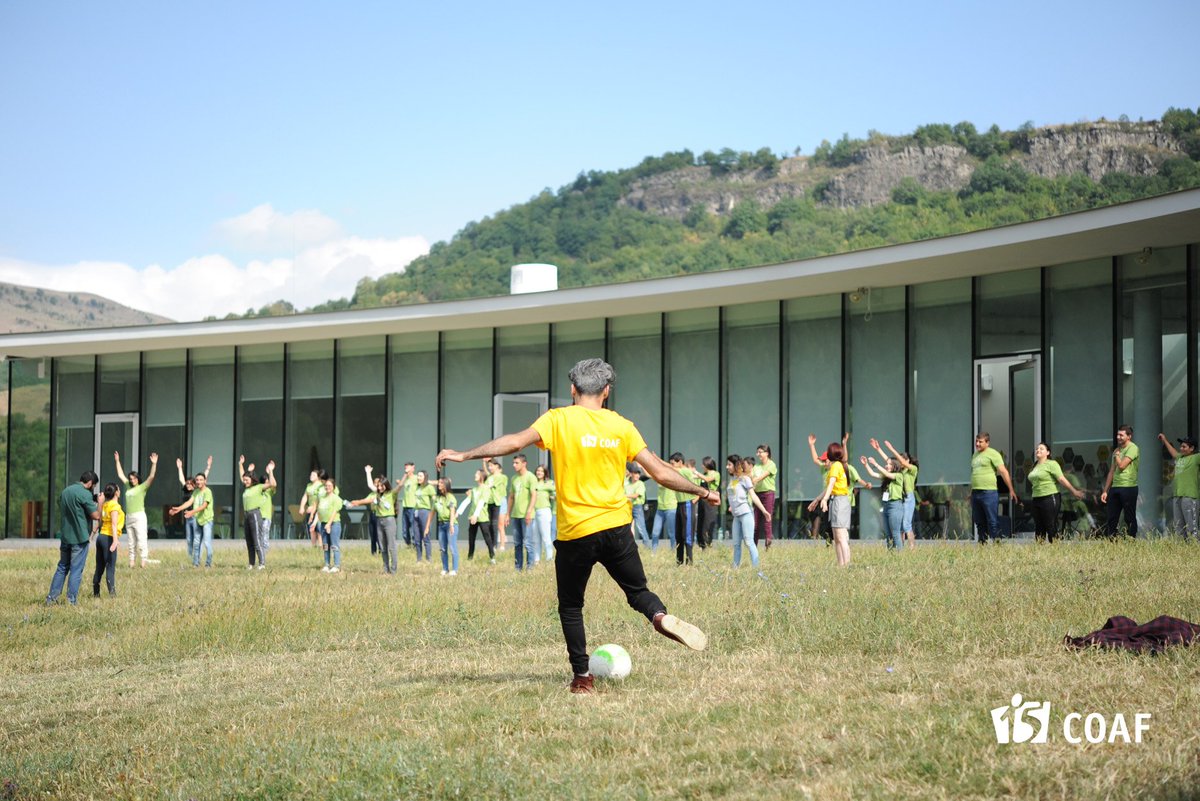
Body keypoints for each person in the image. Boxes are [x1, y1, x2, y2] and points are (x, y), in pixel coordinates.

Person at [436, 358, 711, 695]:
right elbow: (659, 471)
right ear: (606, 391)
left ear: (572, 389)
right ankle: (658, 616)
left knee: (571, 605)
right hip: (616, 528)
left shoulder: (558, 419)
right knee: (638, 593)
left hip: (576, 533)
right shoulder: (621, 426)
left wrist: (464, 456)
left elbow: (513, 443)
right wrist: (703, 490)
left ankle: (582, 678)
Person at [46, 470, 101, 605]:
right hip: (79, 538)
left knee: (62, 567)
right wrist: (100, 502)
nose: (93, 488)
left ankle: (51, 599)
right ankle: (71, 601)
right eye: (93, 485)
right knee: (76, 569)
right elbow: (96, 516)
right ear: (89, 483)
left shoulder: (66, 491)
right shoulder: (84, 494)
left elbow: (66, 506)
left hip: (65, 536)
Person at [1027, 443, 1085, 542]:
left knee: (1050, 525)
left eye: (1041, 449)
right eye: (1037, 449)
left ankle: (1055, 548)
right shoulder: (1035, 465)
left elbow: (1061, 479)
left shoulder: (1052, 464)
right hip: (1036, 498)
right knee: (1039, 526)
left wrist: (1074, 491)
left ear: (1048, 452)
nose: (1038, 450)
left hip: (1049, 498)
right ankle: (1039, 551)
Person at [970, 432, 1017, 544]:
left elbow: (1003, 472)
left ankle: (997, 544)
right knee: (979, 521)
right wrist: (970, 492)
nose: (977, 444)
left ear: (987, 442)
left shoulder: (993, 454)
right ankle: (982, 544)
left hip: (989, 493)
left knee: (992, 521)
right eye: (976, 441)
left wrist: (1011, 489)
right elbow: (974, 474)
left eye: (980, 442)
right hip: (976, 493)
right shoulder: (975, 455)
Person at [114, 450, 158, 568]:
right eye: (131, 479)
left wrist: (154, 463)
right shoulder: (128, 486)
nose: (132, 480)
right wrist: (117, 461)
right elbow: (120, 475)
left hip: (139, 516)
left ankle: (144, 561)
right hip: (129, 516)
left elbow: (151, 476)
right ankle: (131, 562)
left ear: (138, 479)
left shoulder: (142, 487)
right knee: (131, 541)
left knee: (141, 539)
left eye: (134, 478)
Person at [875, 439, 919, 548]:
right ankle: (901, 547)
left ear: (908, 460)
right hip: (900, 499)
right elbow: (889, 460)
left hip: (908, 498)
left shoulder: (913, 469)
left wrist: (891, 449)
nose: (900, 462)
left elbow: (902, 462)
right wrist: (878, 449)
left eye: (903, 460)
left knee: (906, 524)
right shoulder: (899, 472)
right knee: (899, 526)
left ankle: (912, 547)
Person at [726, 455, 767, 570]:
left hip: (746, 514)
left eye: (729, 464)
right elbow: (735, 495)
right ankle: (735, 567)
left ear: (736, 465)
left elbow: (753, 496)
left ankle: (756, 568)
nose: (727, 467)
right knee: (736, 544)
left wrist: (764, 511)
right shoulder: (733, 480)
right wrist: (731, 505)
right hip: (736, 516)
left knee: (749, 542)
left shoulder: (745, 479)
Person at [1100, 425, 1139, 538]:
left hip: (1128, 487)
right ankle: (1112, 540)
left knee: (1129, 516)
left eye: (1121, 435)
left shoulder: (1133, 448)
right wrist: (1105, 491)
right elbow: (1112, 471)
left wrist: (1117, 455)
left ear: (1129, 436)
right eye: (1118, 435)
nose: (1118, 437)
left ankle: (1131, 539)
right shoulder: (1117, 450)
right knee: (1112, 516)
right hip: (1115, 487)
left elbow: (1122, 466)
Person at [816, 443, 852, 567]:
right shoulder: (840, 465)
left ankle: (846, 565)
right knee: (837, 537)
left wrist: (824, 499)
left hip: (839, 501)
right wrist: (817, 500)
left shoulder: (836, 465)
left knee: (841, 536)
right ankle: (841, 565)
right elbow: (828, 487)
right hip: (837, 500)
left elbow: (831, 484)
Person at [360, 466, 400, 573]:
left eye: (382, 485)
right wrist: (368, 472)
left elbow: (400, 487)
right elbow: (369, 485)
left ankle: (393, 569)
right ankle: (386, 569)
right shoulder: (377, 494)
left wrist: (406, 476)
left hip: (389, 520)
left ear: (386, 486)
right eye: (379, 486)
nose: (380, 487)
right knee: (382, 546)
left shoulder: (391, 494)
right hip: (379, 520)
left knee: (391, 546)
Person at [1158, 433, 1198, 538]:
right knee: (1178, 526)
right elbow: (1173, 452)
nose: (1181, 448)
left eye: (1184, 447)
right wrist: (1165, 440)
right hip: (1177, 496)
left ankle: (1194, 547)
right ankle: (1181, 548)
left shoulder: (1196, 458)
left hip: (1190, 496)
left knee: (1191, 526)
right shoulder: (1180, 457)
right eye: (1181, 446)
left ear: (1192, 448)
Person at [861, 455, 905, 550]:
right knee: (888, 534)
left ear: (895, 466)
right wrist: (866, 465)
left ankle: (900, 556)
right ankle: (891, 554)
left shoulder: (899, 476)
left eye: (889, 464)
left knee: (895, 533)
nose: (887, 465)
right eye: (887, 464)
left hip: (895, 506)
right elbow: (873, 474)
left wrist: (876, 464)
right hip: (886, 506)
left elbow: (888, 474)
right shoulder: (886, 477)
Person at [171, 472, 215, 567]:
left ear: (205, 481)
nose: (199, 481)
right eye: (197, 480)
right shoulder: (195, 492)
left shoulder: (208, 492)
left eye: (201, 480)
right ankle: (195, 563)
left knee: (207, 543)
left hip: (207, 520)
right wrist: (178, 509)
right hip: (198, 520)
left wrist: (192, 512)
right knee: (196, 542)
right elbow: (189, 502)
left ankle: (208, 564)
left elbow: (204, 505)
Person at [175, 456, 211, 559]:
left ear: (194, 485)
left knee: (196, 539)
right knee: (189, 539)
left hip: (195, 517)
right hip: (188, 518)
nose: (188, 486)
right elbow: (181, 479)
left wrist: (208, 467)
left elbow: (204, 477)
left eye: (190, 484)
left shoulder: (196, 491)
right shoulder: (186, 490)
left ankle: (197, 557)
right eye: (187, 484)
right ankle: (191, 557)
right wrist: (179, 468)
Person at [93, 483, 124, 596]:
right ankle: (112, 595)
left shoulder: (106, 505)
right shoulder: (115, 507)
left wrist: (93, 533)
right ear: (116, 492)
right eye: (119, 489)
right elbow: (114, 525)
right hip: (109, 538)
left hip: (101, 537)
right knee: (110, 567)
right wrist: (115, 541)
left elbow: (100, 521)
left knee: (99, 567)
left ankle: (96, 594)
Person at [508, 454, 537, 570]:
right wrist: (507, 514)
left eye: (516, 463)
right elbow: (511, 497)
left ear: (524, 463)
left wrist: (529, 511)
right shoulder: (514, 478)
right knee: (517, 543)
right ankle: (518, 568)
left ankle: (530, 568)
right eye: (513, 463)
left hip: (527, 516)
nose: (514, 465)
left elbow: (534, 495)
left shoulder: (531, 477)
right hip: (516, 515)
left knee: (528, 543)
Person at [670, 453, 700, 565]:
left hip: (687, 505)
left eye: (673, 463)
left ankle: (689, 562)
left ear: (680, 463)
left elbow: (698, 487)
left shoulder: (685, 471)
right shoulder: (677, 472)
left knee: (687, 534)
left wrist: (657, 460)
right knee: (679, 535)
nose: (671, 466)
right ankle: (679, 561)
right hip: (679, 505)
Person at [239, 456, 264, 569]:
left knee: (256, 539)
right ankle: (251, 563)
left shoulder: (258, 487)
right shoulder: (246, 489)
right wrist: (240, 464)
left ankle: (262, 563)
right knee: (249, 540)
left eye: (246, 480)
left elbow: (273, 484)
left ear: (252, 479)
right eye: (244, 480)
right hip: (246, 514)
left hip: (254, 514)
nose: (244, 481)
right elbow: (243, 476)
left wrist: (271, 472)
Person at [465, 469, 496, 563]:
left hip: (482, 517)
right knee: (471, 538)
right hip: (472, 517)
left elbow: (482, 502)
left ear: (482, 476)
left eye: (477, 474)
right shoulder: (474, 489)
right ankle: (470, 558)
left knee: (487, 538)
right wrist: (458, 512)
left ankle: (492, 557)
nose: (475, 475)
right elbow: (467, 501)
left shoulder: (486, 488)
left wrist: (476, 515)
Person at [432, 477, 460, 576]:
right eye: (438, 483)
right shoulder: (438, 498)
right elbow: (433, 512)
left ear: (446, 485)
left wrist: (451, 525)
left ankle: (455, 569)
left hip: (450, 524)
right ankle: (445, 568)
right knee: (443, 548)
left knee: (452, 547)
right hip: (441, 525)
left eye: (441, 483)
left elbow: (452, 512)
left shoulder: (451, 497)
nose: (439, 484)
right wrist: (427, 526)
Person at [751, 444, 778, 548]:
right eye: (757, 452)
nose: (758, 454)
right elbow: (751, 475)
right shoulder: (756, 466)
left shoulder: (771, 465)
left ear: (767, 453)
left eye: (760, 452)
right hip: (757, 495)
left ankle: (768, 543)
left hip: (768, 494)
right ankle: (754, 546)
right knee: (755, 522)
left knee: (767, 518)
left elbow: (762, 476)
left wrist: (754, 480)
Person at [317, 476, 344, 573]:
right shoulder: (322, 497)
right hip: (323, 524)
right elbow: (319, 510)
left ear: (333, 487)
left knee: (334, 545)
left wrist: (329, 524)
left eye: (329, 485)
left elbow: (334, 512)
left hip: (333, 524)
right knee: (325, 545)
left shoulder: (336, 498)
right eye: (326, 485)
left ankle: (336, 565)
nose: (327, 487)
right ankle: (327, 564)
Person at [696, 457, 720, 548]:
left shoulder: (716, 474)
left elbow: (708, 479)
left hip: (711, 501)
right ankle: (701, 544)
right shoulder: (703, 474)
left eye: (703, 464)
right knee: (700, 523)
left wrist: (697, 474)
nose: (702, 466)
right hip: (702, 501)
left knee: (708, 522)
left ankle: (708, 543)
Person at [533, 464, 556, 563]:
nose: (539, 473)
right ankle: (536, 559)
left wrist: (553, 497)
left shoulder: (549, 483)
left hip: (544, 511)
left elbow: (555, 493)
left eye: (541, 471)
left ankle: (549, 557)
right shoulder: (533, 482)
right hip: (534, 511)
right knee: (536, 538)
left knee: (546, 536)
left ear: (545, 473)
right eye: (538, 471)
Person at [485, 459, 509, 552]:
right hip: (493, 501)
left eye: (491, 466)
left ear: (497, 467)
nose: (490, 468)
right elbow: (487, 475)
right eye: (489, 466)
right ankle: (494, 545)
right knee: (492, 524)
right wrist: (484, 462)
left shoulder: (502, 477)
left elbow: (491, 484)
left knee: (500, 525)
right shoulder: (490, 477)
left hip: (501, 501)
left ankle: (502, 545)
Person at [413, 470, 436, 563]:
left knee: (425, 536)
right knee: (416, 537)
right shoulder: (417, 487)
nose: (418, 477)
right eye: (418, 476)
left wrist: (432, 510)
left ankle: (428, 558)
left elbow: (434, 500)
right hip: (416, 512)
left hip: (425, 512)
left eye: (421, 476)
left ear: (425, 477)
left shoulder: (429, 488)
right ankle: (419, 559)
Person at [298, 470, 325, 547]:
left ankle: (321, 546)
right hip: (311, 510)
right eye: (310, 474)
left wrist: (313, 507)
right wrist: (302, 507)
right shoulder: (309, 485)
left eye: (313, 475)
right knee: (312, 529)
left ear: (318, 477)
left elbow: (322, 499)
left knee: (319, 529)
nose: (311, 476)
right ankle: (313, 547)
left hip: (319, 510)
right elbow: (305, 496)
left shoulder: (321, 486)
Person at [625, 465, 650, 548]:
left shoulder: (640, 483)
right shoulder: (626, 482)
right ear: (631, 474)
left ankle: (647, 548)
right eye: (635, 473)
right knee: (626, 528)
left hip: (637, 507)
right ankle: (629, 547)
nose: (637, 475)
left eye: (639, 474)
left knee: (641, 528)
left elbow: (636, 495)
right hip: (627, 506)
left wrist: (624, 496)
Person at [650, 477, 677, 551]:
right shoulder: (660, 479)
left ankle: (674, 551)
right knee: (655, 533)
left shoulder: (670, 480)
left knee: (671, 533)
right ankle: (654, 552)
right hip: (660, 509)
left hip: (671, 508)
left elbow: (661, 483)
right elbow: (651, 475)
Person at [396, 462, 418, 549]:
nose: (406, 470)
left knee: (413, 528)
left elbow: (428, 482)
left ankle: (415, 545)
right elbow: (400, 485)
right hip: (405, 506)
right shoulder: (406, 479)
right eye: (405, 468)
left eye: (408, 468)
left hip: (413, 506)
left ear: (413, 468)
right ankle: (408, 544)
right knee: (405, 529)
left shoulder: (416, 478)